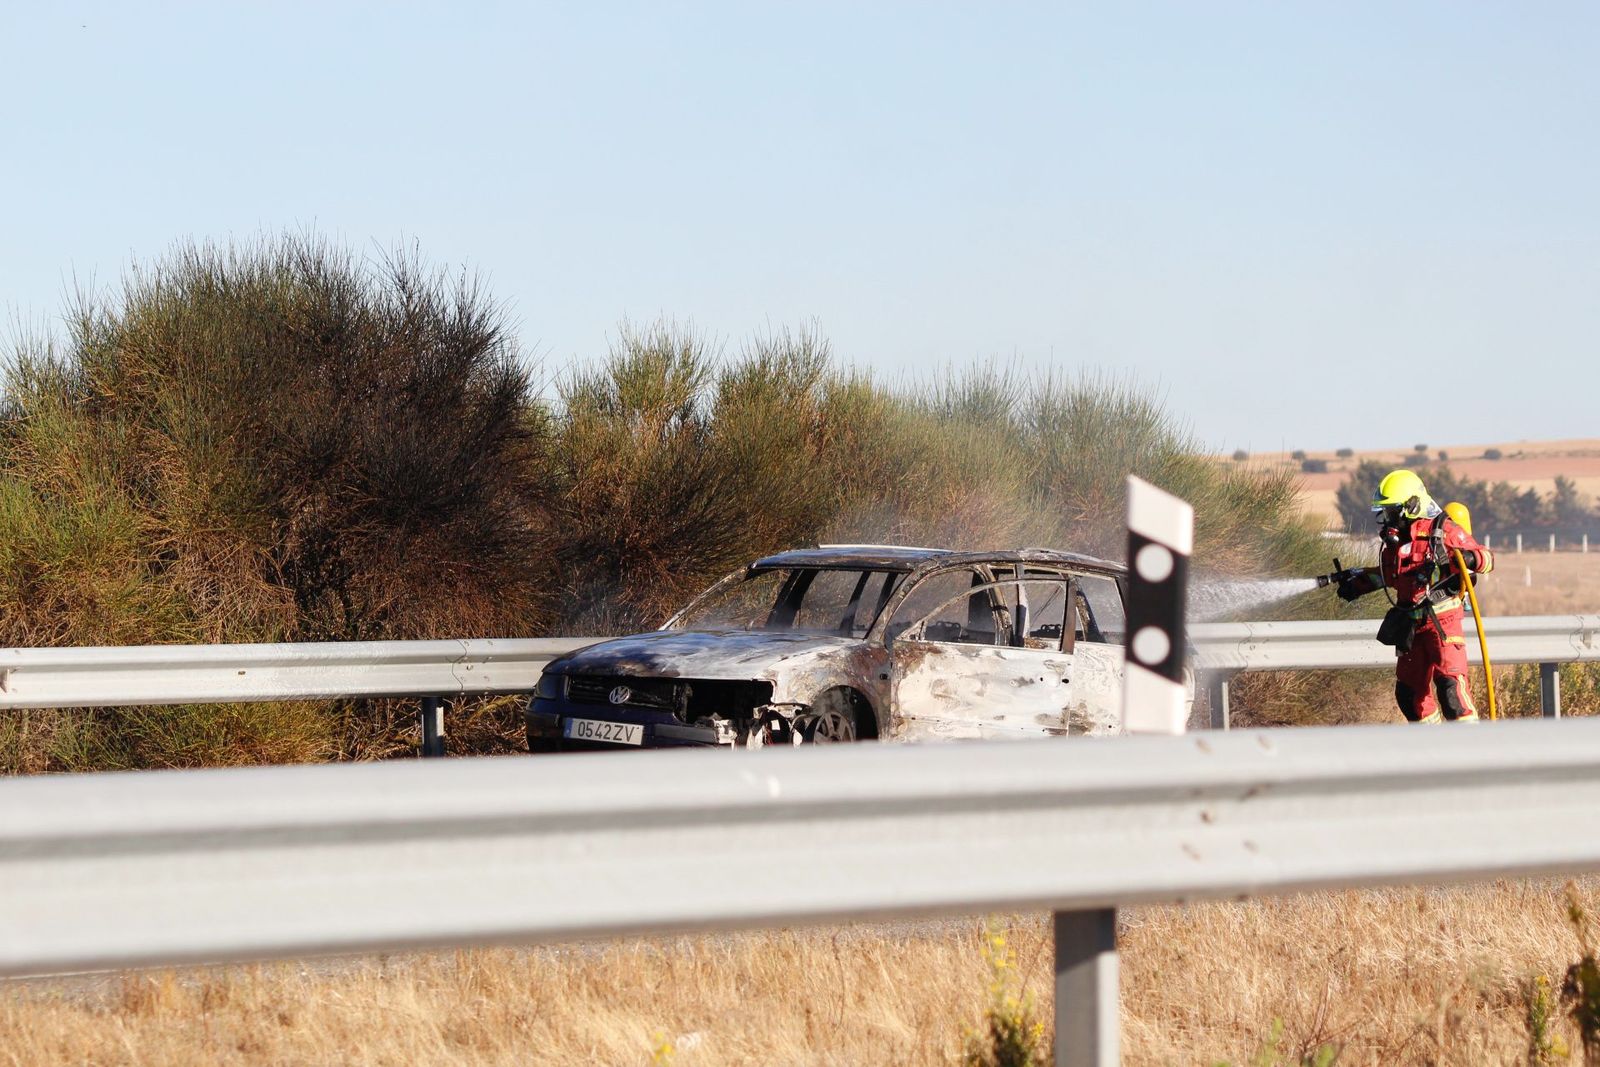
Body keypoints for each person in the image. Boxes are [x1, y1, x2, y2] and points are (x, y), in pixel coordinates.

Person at [1336, 469, 1494, 723]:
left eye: (1391, 511)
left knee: (1451, 692)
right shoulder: (1396, 543)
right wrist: (1357, 585)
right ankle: (1429, 744)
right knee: (1409, 696)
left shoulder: (1444, 531)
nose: (1387, 518)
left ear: (1411, 506)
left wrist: (1469, 558)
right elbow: (1389, 575)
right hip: (1411, 624)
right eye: (1385, 512)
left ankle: (1470, 744)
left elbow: (1487, 558)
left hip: (1442, 623)